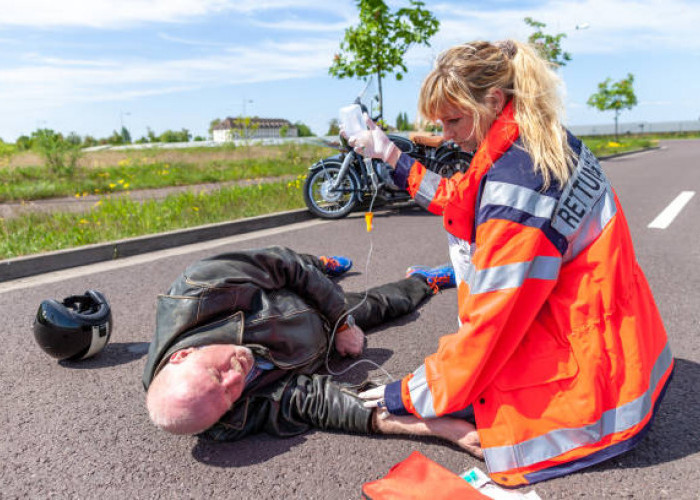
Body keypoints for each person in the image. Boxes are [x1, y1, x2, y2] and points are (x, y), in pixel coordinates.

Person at [348, 40, 673, 487]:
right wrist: (390, 156)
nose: (446, 135)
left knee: (487, 397)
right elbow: (461, 201)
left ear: (494, 101)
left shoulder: (518, 182)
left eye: (454, 120)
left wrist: (406, 394)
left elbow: (491, 326)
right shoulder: (537, 141)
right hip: (625, 340)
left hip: (594, 376)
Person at [142, 246, 481, 456]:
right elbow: (318, 403)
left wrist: (343, 324)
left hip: (299, 295)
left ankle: (319, 263)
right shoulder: (221, 419)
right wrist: (438, 427)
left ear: (182, 355)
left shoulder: (198, 289)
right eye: (231, 394)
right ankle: (424, 279)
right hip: (312, 342)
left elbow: (280, 263)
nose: (237, 375)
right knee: (385, 306)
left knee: (361, 297)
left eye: (218, 374)